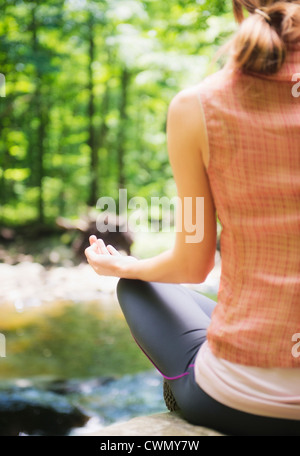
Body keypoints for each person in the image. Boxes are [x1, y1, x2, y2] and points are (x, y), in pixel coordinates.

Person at [85, 0, 300, 436]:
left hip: (240, 402)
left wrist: (120, 265)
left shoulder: (199, 106)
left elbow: (192, 265)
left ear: (242, 8)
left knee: (139, 288)